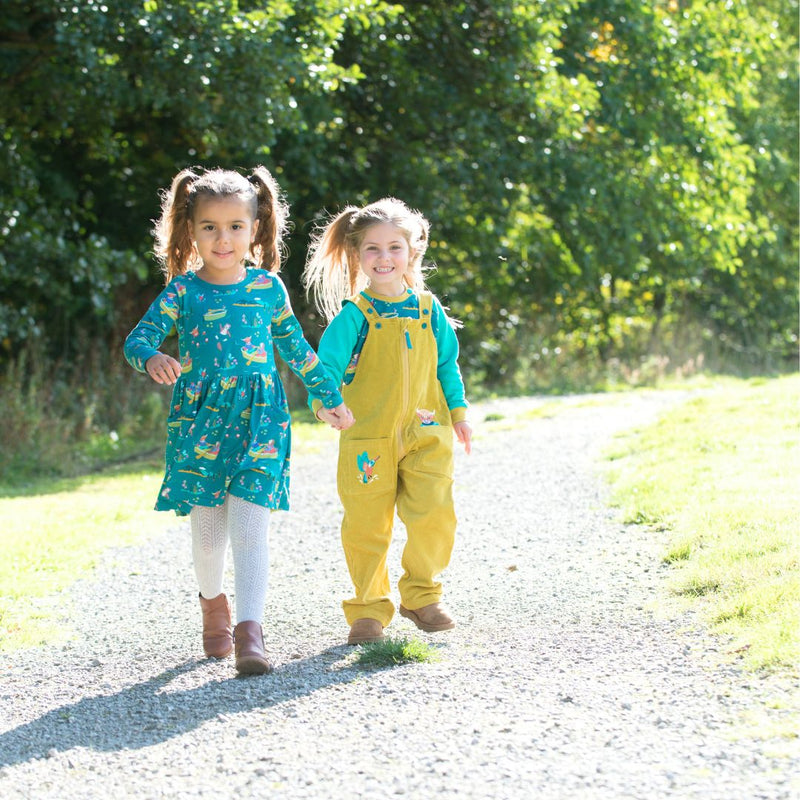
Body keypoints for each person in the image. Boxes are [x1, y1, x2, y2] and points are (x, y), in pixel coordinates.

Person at [124, 167, 353, 675]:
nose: (222, 238)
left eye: (234, 227)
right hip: (200, 423)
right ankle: (214, 606)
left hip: (262, 421)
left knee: (250, 528)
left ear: (255, 229)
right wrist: (152, 358)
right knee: (208, 537)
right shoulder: (183, 292)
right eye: (209, 227)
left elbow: (296, 348)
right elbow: (136, 341)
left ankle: (251, 632)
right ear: (191, 231)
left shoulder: (268, 288)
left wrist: (329, 395)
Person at [303, 197, 472, 645]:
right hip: (368, 442)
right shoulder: (353, 316)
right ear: (358, 256)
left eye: (394, 248)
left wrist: (459, 413)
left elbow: (447, 365)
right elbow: (325, 371)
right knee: (366, 527)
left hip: (427, 434)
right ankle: (368, 610)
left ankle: (421, 595)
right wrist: (324, 405)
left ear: (412, 253)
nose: (384, 258)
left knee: (435, 517)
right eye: (372, 249)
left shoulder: (427, 310)